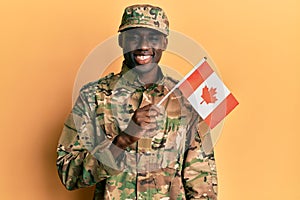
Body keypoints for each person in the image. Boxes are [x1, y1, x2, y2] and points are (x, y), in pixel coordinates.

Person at [57, 4, 218, 200]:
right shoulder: (94, 97)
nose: (143, 45)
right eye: (134, 37)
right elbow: (68, 173)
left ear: (164, 43)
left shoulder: (186, 100)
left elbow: (201, 183)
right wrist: (124, 139)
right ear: (121, 41)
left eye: (153, 37)